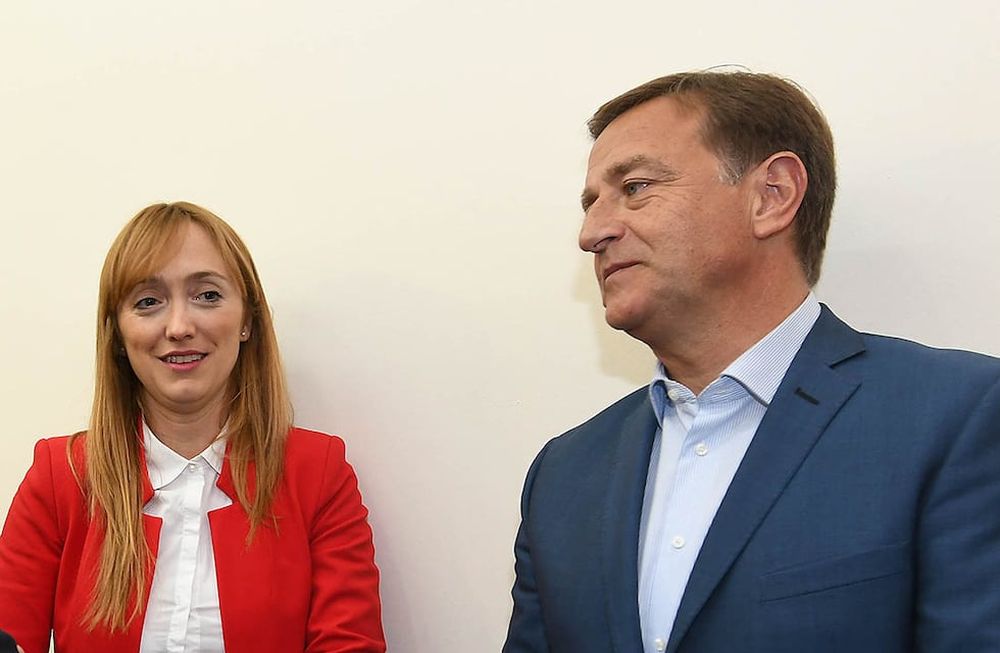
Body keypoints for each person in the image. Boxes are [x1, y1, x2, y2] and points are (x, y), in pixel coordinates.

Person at [503, 71, 1000, 652]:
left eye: (635, 187)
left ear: (772, 196)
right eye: (590, 205)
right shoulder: (563, 474)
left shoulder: (959, 417)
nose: (591, 233)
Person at [0, 202, 385, 653]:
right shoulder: (60, 475)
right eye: (148, 302)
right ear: (119, 336)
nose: (180, 327)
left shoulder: (318, 473)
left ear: (247, 321)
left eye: (207, 295)